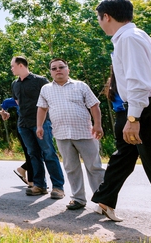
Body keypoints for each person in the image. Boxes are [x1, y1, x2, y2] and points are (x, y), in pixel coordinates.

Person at [95, 0, 151, 209]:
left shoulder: (128, 39)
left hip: (148, 110)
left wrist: (133, 118)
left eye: (99, 19)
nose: (100, 23)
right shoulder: (139, 36)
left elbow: (138, 81)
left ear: (106, 17)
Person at [37, 58, 105, 210]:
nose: (58, 70)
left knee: (94, 167)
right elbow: (42, 108)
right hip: (62, 134)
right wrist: (39, 126)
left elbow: (94, 105)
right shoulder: (46, 89)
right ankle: (78, 199)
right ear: (50, 72)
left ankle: (102, 200)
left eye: (61, 67)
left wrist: (98, 125)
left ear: (68, 69)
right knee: (71, 168)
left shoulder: (80, 86)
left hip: (85, 133)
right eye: (54, 68)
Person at [11, 56, 65, 199]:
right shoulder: (14, 84)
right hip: (23, 125)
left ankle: (58, 187)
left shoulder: (40, 81)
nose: (11, 69)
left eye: (13, 66)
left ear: (21, 65)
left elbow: (51, 99)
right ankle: (39, 185)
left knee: (49, 153)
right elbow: (17, 102)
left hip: (41, 124)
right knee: (33, 155)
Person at [91, 70, 138, 221]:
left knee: (122, 162)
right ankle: (104, 201)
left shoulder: (114, 81)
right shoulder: (125, 80)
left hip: (123, 119)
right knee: (125, 162)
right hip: (132, 119)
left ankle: (104, 200)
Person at [1, 98, 33, 187]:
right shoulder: (20, 97)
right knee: (30, 153)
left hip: (35, 125)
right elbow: (5, 103)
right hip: (23, 126)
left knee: (39, 154)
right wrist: (3, 113)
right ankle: (31, 181)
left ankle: (23, 169)